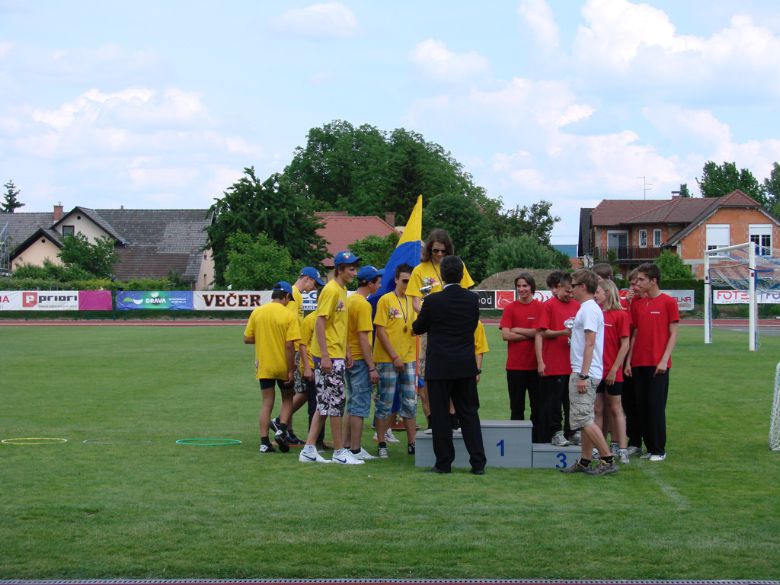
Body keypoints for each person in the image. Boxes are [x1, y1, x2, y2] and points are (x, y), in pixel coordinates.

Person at [412, 255, 486, 475]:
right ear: (462, 275)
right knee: (469, 414)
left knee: (441, 415)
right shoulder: (472, 300)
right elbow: (472, 326)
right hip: (464, 364)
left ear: (442, 276)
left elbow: (418, 327)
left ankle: (444, 463)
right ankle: (478, 463)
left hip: (440, 366)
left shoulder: (433, 301)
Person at [298, 251, 364, 465]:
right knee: (336, 403)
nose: (355, 272)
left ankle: (308, 449)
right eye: (351, 268)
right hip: (328, 356)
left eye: (355, 268)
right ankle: (338, 452)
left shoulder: (342, 290)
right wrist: (325, 355)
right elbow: (320, 322)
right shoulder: (331, 290)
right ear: (340, 269)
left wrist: (345, 350)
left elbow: (340, 325)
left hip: (336, 353)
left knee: (324, 403)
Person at [407, 229, 475, 431]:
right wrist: (432, 313)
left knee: (456, 373)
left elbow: (466, 294)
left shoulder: (456, 266)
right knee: (429, 374)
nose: (439, 255)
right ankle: (432, 417)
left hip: (455, 328)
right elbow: (414, 302)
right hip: (431, 328)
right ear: (429, 249)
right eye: (435, 250)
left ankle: (454, 416)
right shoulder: (420, 270)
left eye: (443, 251)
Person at [560, 269, 617, 476]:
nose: (570, 289)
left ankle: (607, 459)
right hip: (584, 370)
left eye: (573, 285)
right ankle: (585, 461)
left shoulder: (589, 309)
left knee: (584, 419)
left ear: (583, 287)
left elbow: (590, 343)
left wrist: (583, 375)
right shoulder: (587, 308)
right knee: (582, 419)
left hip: (585, 372)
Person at [625, 262, 679, 462]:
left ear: (653, 281)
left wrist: (664, 360)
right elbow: (635, 333)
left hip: (658, 364)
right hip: (638, 363)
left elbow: (673, 333)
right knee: (642, 407)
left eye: (641, 279)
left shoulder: (668, 302)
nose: (637, 283)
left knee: (656, 407)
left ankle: (658, 449)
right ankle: (648, 447)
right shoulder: (638, 304)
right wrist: (629, 361)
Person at [243, 281, 301, 454]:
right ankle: (282, 430)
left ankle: (264, 443)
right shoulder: (288, 315)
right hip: (282, 365)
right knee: (287, 399)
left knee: (267, 403)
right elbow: (290, 346)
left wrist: (262, 339)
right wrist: (291, 369)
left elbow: (247, 338)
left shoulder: (258, 312)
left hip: (265, 365)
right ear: (287, 297)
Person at [270, 266, 325, 445]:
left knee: (295, 391)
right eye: (314, 284)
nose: (314, 288)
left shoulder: (296, 294)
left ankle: (286, 428)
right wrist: (294, 353)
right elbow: (289, 323)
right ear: (307, 278)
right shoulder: (294, 295)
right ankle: (281, 424)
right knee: (298, 391)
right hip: (292, 349)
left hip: (292, 348)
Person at [373, 264, 418, 457]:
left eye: (411, 281)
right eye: (405, 281)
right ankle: (382, 442)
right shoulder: (386, 300)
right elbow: (380, 331)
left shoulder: (414, 301)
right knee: (385, 401)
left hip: (409, 358)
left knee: (409, 401)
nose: (408, 284)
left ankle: (412, 443)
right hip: (387, 359)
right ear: (396, 280)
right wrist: (394, 357)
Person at [344, 265, 383, 460]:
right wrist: (372, 367)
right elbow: (363, 337)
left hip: (349, 359)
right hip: (360, 359)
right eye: (378, 281)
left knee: (351, 403)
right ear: (369, 283)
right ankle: (355, 449)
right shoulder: (363, 305)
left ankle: (347, 445)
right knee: (359, 405)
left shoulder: (349, 300)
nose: (381, 284)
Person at [536, 271, 580, 446]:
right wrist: (562, 333)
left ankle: (572, 431)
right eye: (567, 290)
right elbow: (541, 332)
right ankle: (556, 432)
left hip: (573, 362)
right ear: (558, 287)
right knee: (554, 401)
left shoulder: (577, 306)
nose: (570, 294)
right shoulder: (549, 306)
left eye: (572, 291)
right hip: (554, 362)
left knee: (572, 401)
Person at [500, 272, 543, 441]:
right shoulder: (510, 308)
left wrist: (516, 329)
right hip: (515, 367)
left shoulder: (541, 307)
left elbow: (541, 332)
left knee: (537, 407)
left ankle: (538, 439)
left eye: (525, 285)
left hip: (536, 366)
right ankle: (516, 441)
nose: (522, 289)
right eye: (519, 286)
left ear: (531, 286)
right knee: (516, 408)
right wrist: (532, 334)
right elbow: (506, 335)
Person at [594, 278, 630, 464]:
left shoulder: (620, 315)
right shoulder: (596, 313)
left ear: (607, 293)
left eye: (598, 292)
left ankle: (622, 448)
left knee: (616, 408)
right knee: (597, 409)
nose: (595, 295)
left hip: (612, 370)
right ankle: (598, 447)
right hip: (596, 370)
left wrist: (615, 368)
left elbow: (625, 344)